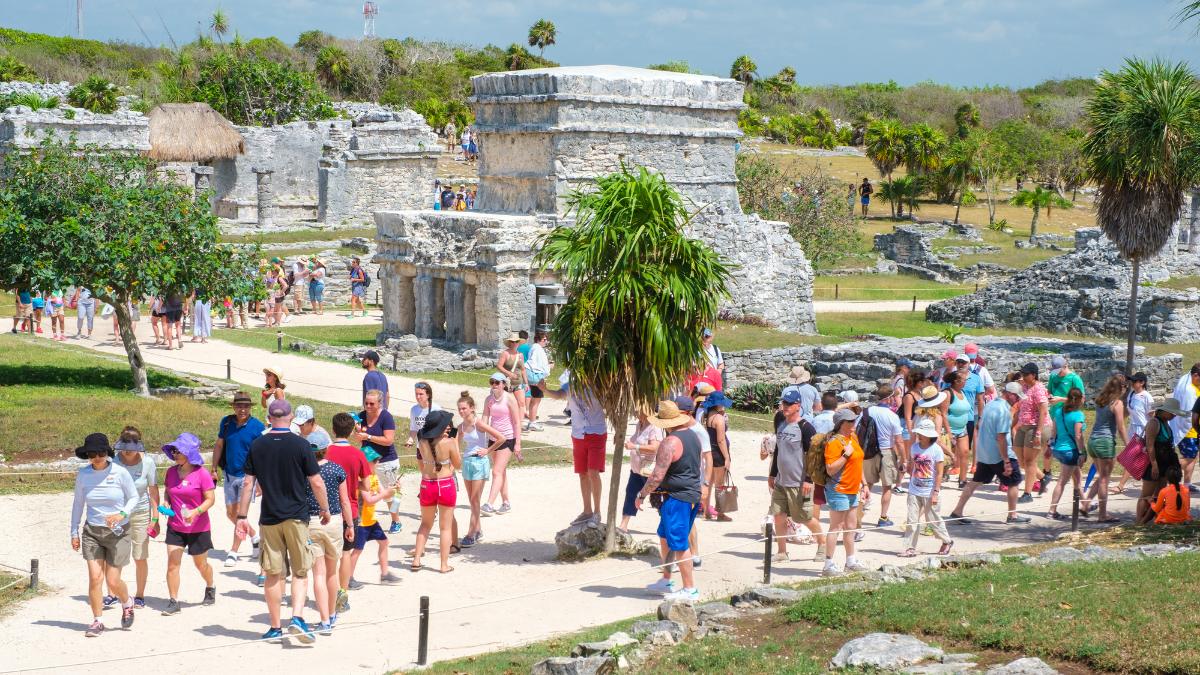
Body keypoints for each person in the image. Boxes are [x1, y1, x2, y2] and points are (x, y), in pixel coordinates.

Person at [235, 400, 330, 644]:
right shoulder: (301, 444)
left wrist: (242, 517)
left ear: (269, 417)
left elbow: (248, 483)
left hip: (270, 517)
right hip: (297, 516)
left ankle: (275, 626)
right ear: (290, 418)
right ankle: (297, 617)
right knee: (300, 571)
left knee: (273, 574)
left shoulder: (257, 444)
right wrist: (325, 508)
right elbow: (316, 482)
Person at [70, 433, 138, 637]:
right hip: (92, 532)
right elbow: (78, 503)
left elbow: (134, 497)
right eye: (92, 454)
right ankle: (97, 621)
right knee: (95, 578)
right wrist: (74, 531)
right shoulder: (83, 475)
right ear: (87, 455)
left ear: (107, 453)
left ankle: (127, 602)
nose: (97, 457)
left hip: (118, 532)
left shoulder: (119, 472)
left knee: (113, 581)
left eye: (101, 453)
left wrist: (122, 514)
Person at [638, 400, 704, 601]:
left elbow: (657, 475)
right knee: (665, 536)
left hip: (678, 498)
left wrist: (641, 494)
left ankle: (690, 589)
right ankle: (666, 580)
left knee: (679, 542)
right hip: (688, 494)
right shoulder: (693, 435)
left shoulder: (670, 442)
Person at [949, 382, 1031, 525]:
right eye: (1017, 396)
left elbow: (983, 427)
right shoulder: (1003, 411)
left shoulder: (990, 405)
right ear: (1010, 394)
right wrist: (1006, 460)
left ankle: (957, 511)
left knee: (975, 481)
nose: (1018, 400)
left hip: (985, 453)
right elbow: (1001, 437)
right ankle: (1012, 515)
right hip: (999, 454)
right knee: (1014, 482)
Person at [160, 433, 217, 615]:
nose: (175, 454)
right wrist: (166, 502)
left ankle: (210, 585)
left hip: (198, 528)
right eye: (174, 451)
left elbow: (210, 499)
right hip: (175, 526)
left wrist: (196, 512)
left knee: (201, 565)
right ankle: (174, 601)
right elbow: (168, 491)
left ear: (190, 453)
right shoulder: (171, 472)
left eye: (179, 451)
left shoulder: (202, 474)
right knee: (172, 564)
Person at [303, 429, 353, 634]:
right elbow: (344, 501)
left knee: (318, 574)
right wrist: (350, 525)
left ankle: (324, 620)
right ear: (326, 449)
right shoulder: (336, 469)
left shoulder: (302, 469)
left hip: (311, 521)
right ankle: (332, 614)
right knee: (332, 572)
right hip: (333, 520)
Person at [324, 413, 373, 612]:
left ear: (333, 429)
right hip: (349, 510)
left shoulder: (325, 452)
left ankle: (328, 594)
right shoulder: (358, 455)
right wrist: (352, 483)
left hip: (325, 510)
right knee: (345, 554)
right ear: (352, 431)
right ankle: (342, 594)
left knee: (327, 556)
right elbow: (367, 485)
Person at [106, 428, 159, 610]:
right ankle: (112, 593)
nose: (128, 452)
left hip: (141, 512)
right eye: (125, 447)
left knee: (140, 555)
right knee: (115, 554)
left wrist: (155, 518)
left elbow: (153, 491)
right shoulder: (113, 462)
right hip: (118, 513)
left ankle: (140, 595)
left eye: (132, 448)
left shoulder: (148, 463)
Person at [211, 392, 266, 569]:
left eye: (246, 406)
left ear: (251, 408)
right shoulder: (226, 423)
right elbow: (219, 445)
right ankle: (254, 536)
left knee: (241, 515)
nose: (243, 409)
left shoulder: (258, 427)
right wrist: (213, 468)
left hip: (248, 477)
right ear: (234, 407)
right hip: (229, 474)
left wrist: (260, 480)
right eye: (239, 406)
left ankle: (233, 552)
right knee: (231, 513)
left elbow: (263, 455)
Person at [769, 389, 824, 562]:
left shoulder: (806, 428)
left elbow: (814, 456)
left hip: (799, 483)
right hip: (781, 481)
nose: (784, 406)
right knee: (778, 516)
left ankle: (822, 545)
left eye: (789, 403)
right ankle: (782, 552)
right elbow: (778, 451)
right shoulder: (781, 424)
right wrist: (772, 474)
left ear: (798, 406)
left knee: (804, 517)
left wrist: (808, 479)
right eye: (783, 403)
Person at [545, 373, 607, 524]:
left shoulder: (599, 384)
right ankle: (587, 511)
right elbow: (558, 395)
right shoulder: (571, 385)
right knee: (582, 474)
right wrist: (544, 390)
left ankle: (597, 512)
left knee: (593, 472)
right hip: (578, 434)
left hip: (596, 432)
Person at [412, 411, 463, 573]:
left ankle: (416, 559)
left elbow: (424, 456)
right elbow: (458, 465)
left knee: (425, 524)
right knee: (445, 528)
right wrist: (455, 443)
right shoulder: (449, 442)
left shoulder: (422, 441)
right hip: (445, 484)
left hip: (427, 484)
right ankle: (443, 565)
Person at [822, 409, 867, 577]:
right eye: (850, 421)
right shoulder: (834, 443)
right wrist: (846, 455)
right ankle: (828, 565)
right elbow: (830, 469)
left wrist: (864, 484)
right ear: (841, 424)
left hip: (853, 489)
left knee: (850, 526)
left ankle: (850, 562)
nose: (854, 423)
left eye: (854, 420)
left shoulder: (852, 437)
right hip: (839, 489)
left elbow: (858, 462)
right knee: (836, 527)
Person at [899, 419, 953, 557]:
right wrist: (907, 467)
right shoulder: (914, 447)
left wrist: (935, 492)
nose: (919, 436)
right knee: (912, 520)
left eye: (922, 434)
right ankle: (910, 548)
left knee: (932, 519)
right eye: (919, 433)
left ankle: (946, 541)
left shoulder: (936, 450)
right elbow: (913, 466)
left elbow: (939, 473)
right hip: (914, 489)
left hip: (929, 491)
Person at [457, 392, 504, 547]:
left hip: (479, 462)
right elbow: (455, 445)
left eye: (464, 408)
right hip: (467, 462)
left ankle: (471, 534)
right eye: (459, 409)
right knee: (472, 500)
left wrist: (487, 450)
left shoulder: (479, 424)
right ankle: (478, 530)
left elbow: (501, 438)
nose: (461, 411)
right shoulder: (460, 426)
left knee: (475, 499)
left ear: (472, 408)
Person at [350, 445, 399, 584]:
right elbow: (369, 500)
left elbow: (384, 494)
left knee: (384, 542)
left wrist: (394, 489)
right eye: (375, 461)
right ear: (365, 463)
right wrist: (385, 493)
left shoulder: (374, 476)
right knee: (357, 551)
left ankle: (385, 575)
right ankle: (348, 578)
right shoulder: (361, 479)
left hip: (370, 520)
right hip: (361, 522)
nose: (378, 463)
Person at [1081, 376, 1128, 522]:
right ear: (1121, 387)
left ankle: (1086, 504)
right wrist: (1128, 444)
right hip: (1105, 442)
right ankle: (1102, 515)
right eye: (1125, 387)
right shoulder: (1117, 403)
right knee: (1104, 479)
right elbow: (1121, 427)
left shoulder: (1101, 401)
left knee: (1101, 476)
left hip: (1093, 441)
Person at [357, 390, 402, 534]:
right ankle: (363, 520)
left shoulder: (386, 417)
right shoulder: (361, 416)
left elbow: (389, 440)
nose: (368, 406)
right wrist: (357, 433)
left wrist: (368, 437)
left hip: (387, 461)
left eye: (372, 403)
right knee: (366, 491)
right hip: (368, 461)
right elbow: (358, 436)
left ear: (380, 403)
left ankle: (396, 521)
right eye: (366, 403)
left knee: (391, 494)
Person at [1137, 398, 1186, 524]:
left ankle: (1154, 520)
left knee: (1159, 495)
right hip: (1153, 464)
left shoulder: (1165, 423)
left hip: (1164, 464)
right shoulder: (1154, 423)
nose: (1174, 415)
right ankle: (1138, 522)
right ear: (1164, 411)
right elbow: (1150, 446)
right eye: (1172, 413)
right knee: (1146, 495)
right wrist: (1154, 465)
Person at [862, 385, 905, 528]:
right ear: (889, 398)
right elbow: (899, 441)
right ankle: (883, 517)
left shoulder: (866, 411)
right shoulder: (892, 416)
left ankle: (858, 516)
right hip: (886, 452)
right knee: (887, 487)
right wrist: (903, 459)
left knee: (867, 484)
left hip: (868, 453)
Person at [482, 372, 522, 515]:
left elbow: (517, 422)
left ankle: (489, 504)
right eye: (492, 382)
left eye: (497, 382)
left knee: (496, 471)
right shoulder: (489, 399)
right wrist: (480, 437)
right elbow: (485, 419)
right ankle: (506, 503)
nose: (494, 385)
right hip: (493, 439)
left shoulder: (509, 398)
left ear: (503, 384)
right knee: (501, 471)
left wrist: (518, 444)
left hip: (507, 438)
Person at [620, 409, 664, 535]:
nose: (635, 412)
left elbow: (654, 448)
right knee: (630, 494)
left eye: (637, 410)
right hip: (636, 469)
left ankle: (667, 523)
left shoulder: (654, 426)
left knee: (658, 497)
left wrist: (635, 447)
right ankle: (623, 525)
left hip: (648, 471)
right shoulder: (640, 424)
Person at [1047, 388, 1086, 520]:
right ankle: (1052, 511)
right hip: (1070, 451)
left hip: (1059, 449)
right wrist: (1082, 452)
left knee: (1078, 478)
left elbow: (1054, 431)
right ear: (1079, 399)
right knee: (1062, 482)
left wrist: (1050, 446)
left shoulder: (1059, 412)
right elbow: (1078, 435)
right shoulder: (1078, 415)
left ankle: (1085, 504)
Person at [1013, 363, 1050, 502]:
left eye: (1026, 374)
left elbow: (1043, 412)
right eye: (1022, 374)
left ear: (1034, 375)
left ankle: (1027, 494)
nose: (1023, 376)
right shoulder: (1024, 387)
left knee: (1029, 461)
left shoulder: (1038, 389)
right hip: (1023, 426)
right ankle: (1043, 478)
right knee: (1020, 460)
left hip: (1036, 427)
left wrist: (1038, 433)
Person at [1046, 355, 1085, 483]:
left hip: (1069, 418)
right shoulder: (1053, 377)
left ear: (1065, 366)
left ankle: (1073, 478)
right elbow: (1049, 391)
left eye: (1059, 370)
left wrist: (1061, 399)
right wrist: (1050, 397)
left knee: (1070, 448)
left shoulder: (1074, 378)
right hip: (1055, 416)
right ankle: (1048, 472)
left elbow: (1081, 399)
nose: (1057, 373)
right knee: (1052, 446)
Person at [701, 391, 734, 521]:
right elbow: (721, 440)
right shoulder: (719, 419)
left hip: (710, 451)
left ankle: (706, 511)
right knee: (720, 484)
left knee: (709, 482)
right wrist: (727, 457)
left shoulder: (709, 416)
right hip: (718, 453)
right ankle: (720, 513)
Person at [1173, 363, 1200, 486]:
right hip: (1190, 431)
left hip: (1192, 430)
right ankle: (1166, 468)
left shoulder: (1190, 382)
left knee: (1193, 457)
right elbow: (1189, 414)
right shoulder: (1189, 390)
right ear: (1195, 375)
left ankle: (1187, 484)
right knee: (1189, 458)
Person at [498, 333, 529, 421]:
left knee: (521, 403)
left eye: (517, 341)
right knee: (508, 404)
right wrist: (509, 373)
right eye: (512, 341)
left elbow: (523, 369)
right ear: (509, 343)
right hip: (507, 384)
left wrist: (526, 383)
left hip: (519, 383)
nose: (515, 343)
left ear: (519, 342)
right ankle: (508, 422)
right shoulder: (505, 353)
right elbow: (499, 366)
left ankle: (519, 424)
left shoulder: (520, 355)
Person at [525, 331, 551, 431]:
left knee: (534, 399)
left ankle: (531, 421)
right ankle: (532, 422)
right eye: (544, 339)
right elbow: (540, 364)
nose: (546, 341)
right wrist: (549, 367)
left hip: (532, 374)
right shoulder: (538, 349)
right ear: (539, 340)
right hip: (536, 375)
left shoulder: (533, 347)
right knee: (536, 400)